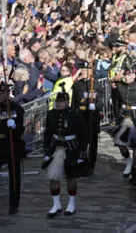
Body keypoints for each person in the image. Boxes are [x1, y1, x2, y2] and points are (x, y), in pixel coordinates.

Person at [43, 83, 88, 218]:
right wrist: (46, 151)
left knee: (71, 177)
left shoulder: (75, 115)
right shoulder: (51, 114)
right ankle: (56, 204)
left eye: (61, 102)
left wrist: (82, 153)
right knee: (53, 178)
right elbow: (47, 133)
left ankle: (71, 203)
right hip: (55, 146)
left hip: (71, 148)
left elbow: (83, 134)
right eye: (57, 101)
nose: (58, 104)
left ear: (68, 102)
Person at [71, 61, 104, 171]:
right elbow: (73, 103)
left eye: (86, 70)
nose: (84, 72)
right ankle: (81, 159)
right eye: (83, 70)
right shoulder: (77, 85)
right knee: (80, 140)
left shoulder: (96, 84)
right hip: (80, 116)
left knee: (92, 140)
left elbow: (100, 101)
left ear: (91, 72)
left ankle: (92, 161)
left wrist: (95, 106)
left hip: (92, 116)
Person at [0, 78, 25, 215]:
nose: (0, 96)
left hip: (11, 145)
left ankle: (13, 204)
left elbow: (21, 129)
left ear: (7, 94)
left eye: (2, 94)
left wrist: (14, 126)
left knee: (14, 177)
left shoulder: (16, 109)